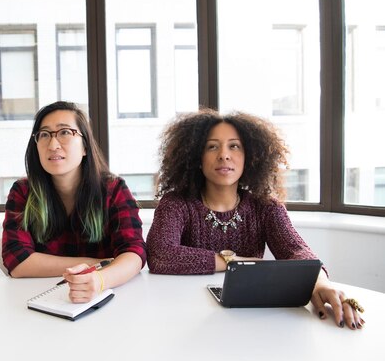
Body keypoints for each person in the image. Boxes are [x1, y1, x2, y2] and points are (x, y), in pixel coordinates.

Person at [146, 108, 364, 330]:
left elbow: (296, 251)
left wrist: (321, 283)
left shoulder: (266, 207)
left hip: (250, 318)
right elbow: (160, 254)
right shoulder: (176, 203)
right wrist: (236, 262)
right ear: (197, 159)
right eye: (212, 146)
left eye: (234, 146)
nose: (224, 154)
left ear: (249, 157)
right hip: (186, 316)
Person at [2, 101, 146, 303]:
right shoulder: (24, 192)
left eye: (65, 133)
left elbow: (134, 253)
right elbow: (17, 261)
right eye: (44, 134)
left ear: (85, 146)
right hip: (44, 301)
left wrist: (98, 280)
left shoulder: (113, 189)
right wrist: (95, 264)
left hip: (107, 298)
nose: (53, 145)